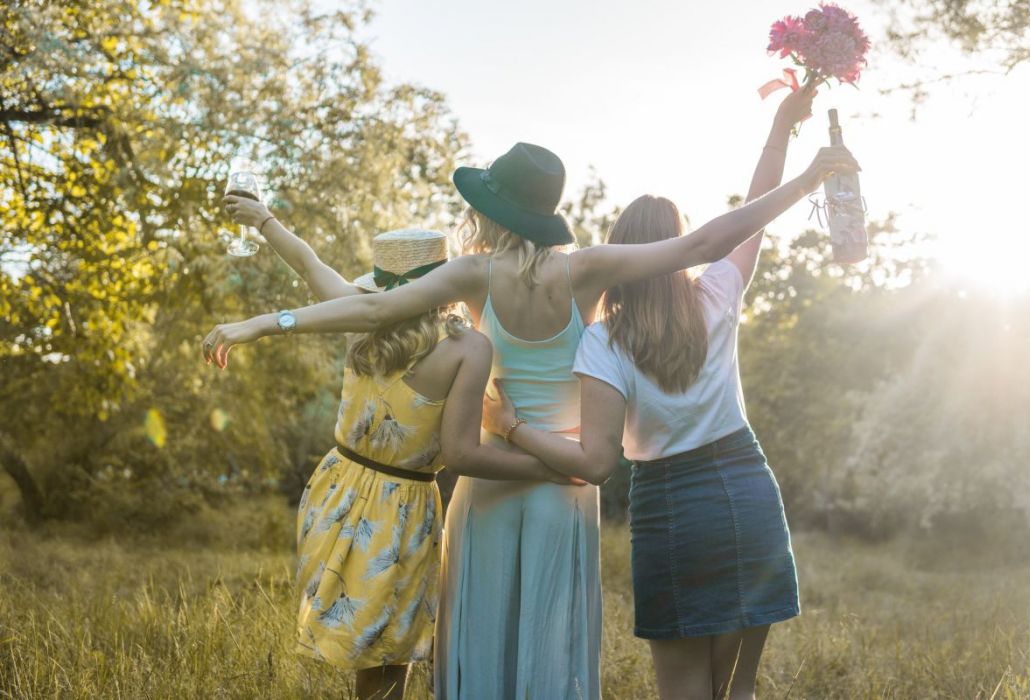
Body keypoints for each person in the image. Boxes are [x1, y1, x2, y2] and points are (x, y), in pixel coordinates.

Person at [205, 86, 855, 699]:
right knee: (549, 649)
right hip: (564, 488)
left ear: (490, 210)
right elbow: (712, 240)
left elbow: (374, 310)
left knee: (483, 644)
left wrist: (268, 323)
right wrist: (805, 180)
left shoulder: (472, 274)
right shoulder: (588, 269)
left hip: (487, 488)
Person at [479, 90, 825, 699]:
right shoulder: (719, 292)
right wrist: (781, 128)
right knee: (736, 691)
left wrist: (512, 428)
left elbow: (595, 463)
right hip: (747, 489)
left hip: (671, 510)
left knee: (685, 691)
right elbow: (754, 212)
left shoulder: (603, 341)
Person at [206, 225, 574, 700]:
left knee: (368, 649)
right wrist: (542, 468)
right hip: (398, 508)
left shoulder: (360, 319)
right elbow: (461, 454)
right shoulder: (466, 348)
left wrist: (262, 219)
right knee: (386, 661)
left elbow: (307, 262)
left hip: (335, 489)